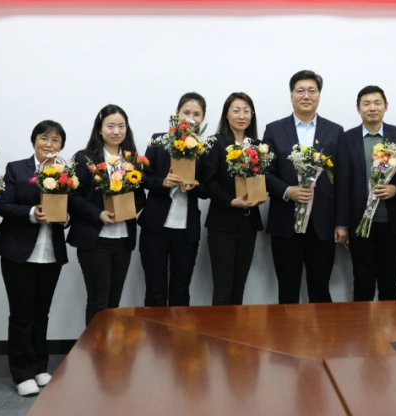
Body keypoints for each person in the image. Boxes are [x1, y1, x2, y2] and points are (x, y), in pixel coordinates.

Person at [0, 120, 70, 397]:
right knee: (22, 314)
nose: (49, 144)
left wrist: (65, 216)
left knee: (41, 313)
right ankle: (22, 372)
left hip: (50, 253)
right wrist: (31, 213)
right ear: (34, 140)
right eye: (44, 138)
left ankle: (40, 366)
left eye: (55, 140)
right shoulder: (16, 168)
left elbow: (69, 209)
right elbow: (2, 205)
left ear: (61, 145)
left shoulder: (66, 173)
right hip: (18, 252)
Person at [262, 70, 344, 304]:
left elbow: (341, 180)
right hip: (285, 222)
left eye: (312, 91)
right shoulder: (274, 129)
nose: (306, 96)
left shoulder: (335, 131)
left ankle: (323, 330)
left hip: (323, 224)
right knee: (287, 291)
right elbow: (264, 172)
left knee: (320, 290)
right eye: (300, 91)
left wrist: (341, 223)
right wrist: (287, 191)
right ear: (291, 95)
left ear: (319, 95)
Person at [336, 86, 396, 301]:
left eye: (377, 103)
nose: (372, 108)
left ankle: (390, 324)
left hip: (392, 222)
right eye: (366, 103)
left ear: (385, 106)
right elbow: (342, 183)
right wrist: (341, 224)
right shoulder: (347, 138)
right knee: (363, 285)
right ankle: (363, 325)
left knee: (390, 285)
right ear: (358, 108)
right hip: (360, 223)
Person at [68, 105, 145, 326]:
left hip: (123, 240)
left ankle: (111, 346)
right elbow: (72, 196)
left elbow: (141, 197)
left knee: (113, 302)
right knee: (98, 302)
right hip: (95, 240)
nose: (116, 131)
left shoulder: (132, 160)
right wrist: (98, 213)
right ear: (100, 130)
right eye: (110, 126)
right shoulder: (85, 158)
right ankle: (95, 347)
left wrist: (128, 209)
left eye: (121, 126)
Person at [139, 93, 206, 307]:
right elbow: (143, 178)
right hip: (155, 227)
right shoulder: (159, 141)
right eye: (186, 112)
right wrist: (163, 182)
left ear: (202, 119)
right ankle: (154, 331)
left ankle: (179, 331)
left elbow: (208, 188)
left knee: (180, 290)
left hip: (187, 230)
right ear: (177, 114)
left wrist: (196, 185)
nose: (190, 118)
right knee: (155, 290)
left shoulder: (204, 148)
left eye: (196, 114)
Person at [202, 93, 264, 305]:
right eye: (236, 110)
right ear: (226, 115)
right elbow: (209, 183)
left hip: (248, 224)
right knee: (223, 289)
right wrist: (230, 201)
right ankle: (219, 329)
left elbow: (260, 179)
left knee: (239, 289)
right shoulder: (216, 143)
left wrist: (260, 194)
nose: (242, 116)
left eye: (246, 111)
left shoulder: (258, 145)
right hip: (222, 224)